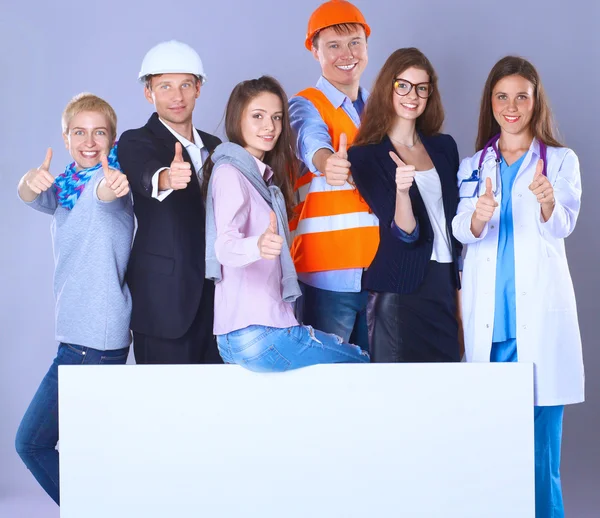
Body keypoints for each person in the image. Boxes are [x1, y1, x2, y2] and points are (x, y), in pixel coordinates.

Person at [452, 56, 584, 518]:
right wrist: (478, 216)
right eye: (502, 97)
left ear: (535, 102)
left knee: (542, 458)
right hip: (490, 328)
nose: (512, 107)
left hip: (539, 329)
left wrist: (548, 204)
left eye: (521, 97)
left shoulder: (560, 161)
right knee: (491, 453)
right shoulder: (473, 165)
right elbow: (461, 230)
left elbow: (563, 225)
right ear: (490, 103)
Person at [203, 76, 369, 371]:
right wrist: (258, 245)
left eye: (277, 117)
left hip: (251, 330)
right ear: (236, 118)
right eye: (258, 116)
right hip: (259, 331)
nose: (269, 127)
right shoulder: (231, 173)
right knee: (362, 365)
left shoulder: (257, 177)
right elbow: (224, 247)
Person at [15, 93, 133, 505]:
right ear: (65, 138)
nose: (89, 140)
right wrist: (28, 180)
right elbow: (32, 196)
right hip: (85, 338)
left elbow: (108, 193)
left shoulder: (110, 183)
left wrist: (113, 184)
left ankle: (94, 512)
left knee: (30, 443)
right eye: (79, 132)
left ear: (111, 138)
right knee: (92, 450)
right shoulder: (67, 187)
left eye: (99, 132)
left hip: (92, 343)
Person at [348, 48, 462, 362]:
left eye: (421, 88)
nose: (412, 96)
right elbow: (404, 233)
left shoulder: (444, 147)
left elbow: (452, 222)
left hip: (444, 284)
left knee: (447, 392)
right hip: (400, 290)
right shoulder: (365, 156)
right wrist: (402, 191)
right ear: (389, 87)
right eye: (403, 86)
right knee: (399, 400)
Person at [118, 40, 222, 364]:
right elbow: (145, 174)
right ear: (149, 92)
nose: (177, 97)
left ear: (199, 88)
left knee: (217, 407)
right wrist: (166, 178)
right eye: (165, 86)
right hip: (164, 305)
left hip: (219, 305)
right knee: (163, 409)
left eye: (185, 85)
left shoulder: (217, 146)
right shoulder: (135, 140)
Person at [288, 0, 378, 351]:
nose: (347, 54)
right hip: (326, 274)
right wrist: (328, 163)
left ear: (367, 46)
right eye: (333, 45)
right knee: (328, 386)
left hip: (377, 272)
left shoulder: (380, 109)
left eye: (355, 42)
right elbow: (311, 141)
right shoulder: (304, 103)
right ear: (315, 51)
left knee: (376, 381)